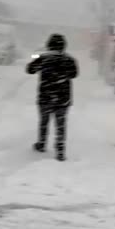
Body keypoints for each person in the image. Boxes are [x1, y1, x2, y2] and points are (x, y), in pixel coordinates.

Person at [26, 33, 78, 161]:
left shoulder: (43, 57)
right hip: (63, 98)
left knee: (44, 122)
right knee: (61, 124)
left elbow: (30, 69)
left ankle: (42, 144)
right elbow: (74, 74)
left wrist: (37, 58)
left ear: (49, 45)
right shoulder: (69, 59)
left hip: (45, 96)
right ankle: (60, 149)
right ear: (64, 46)